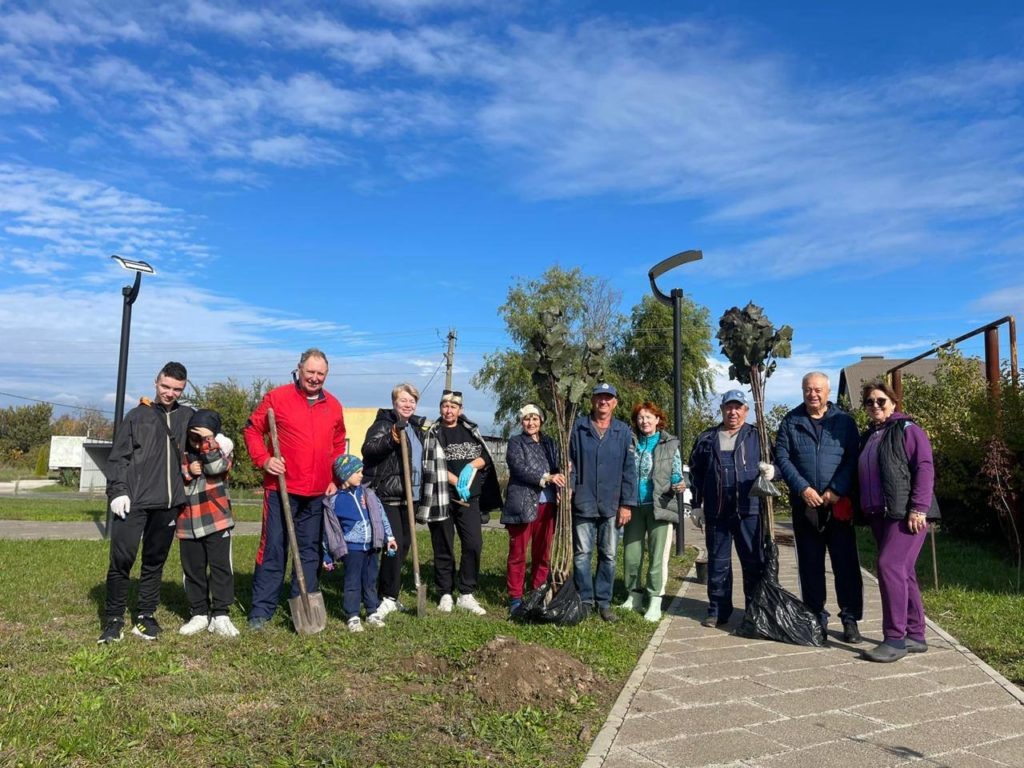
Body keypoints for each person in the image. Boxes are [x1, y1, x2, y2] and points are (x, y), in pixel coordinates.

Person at [244, 348, 346, 630]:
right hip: (282, 489)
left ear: (327, 374)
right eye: (310, 372)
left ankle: (302, 607)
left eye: (320, 374)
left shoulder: (333, 405)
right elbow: (252, 430)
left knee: (310, 552)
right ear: (299, 369)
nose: (315, 378)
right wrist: (264, 460)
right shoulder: (278, 398)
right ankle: (261, 611)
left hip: (317, 493)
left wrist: (334, 479)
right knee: (274, 548)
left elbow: (338, 444)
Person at [99, 362, 194, 643]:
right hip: (134, 501)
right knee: (122, 559)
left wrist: (220, 439)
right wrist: (117, 492)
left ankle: (145, 616)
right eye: (165, 386)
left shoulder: (187, 416)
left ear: (183, 388)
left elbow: (209, 426)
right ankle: (114, 618)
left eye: (176, 389)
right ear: (156, 383)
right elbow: (118, 458)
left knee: (154, 561)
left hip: (168, 504)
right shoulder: (137, 416)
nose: (169, 393)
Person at [775, 371, 863, 642]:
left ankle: (850, 619)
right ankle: (816, 617)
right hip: (806, 506)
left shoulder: (844, 422)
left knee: (845, 564)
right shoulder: (791, 421)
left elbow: (853, 458)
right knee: (810, 566)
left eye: (818, 390)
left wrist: (836, 489)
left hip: (837, 505)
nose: (812, 394)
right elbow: (782, 457)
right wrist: (803, 489)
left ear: (827, 392)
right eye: (807, 389)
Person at [857, 380, 939, 662]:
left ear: (893, 403)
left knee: (888, 566)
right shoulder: (870, 435)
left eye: (881, 400)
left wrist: (919, 508)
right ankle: (915, 635)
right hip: (879, 513)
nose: (876, 406)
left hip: (906, 513)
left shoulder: (908, 429)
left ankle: (894, 639)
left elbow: (925, 467)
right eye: (870, 402)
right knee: (904, 572)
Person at [688, 390, 773, 628]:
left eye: (738, 407)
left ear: (746, 410)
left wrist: (772, 472)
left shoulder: (759, 437)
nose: (732, 412)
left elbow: (777, 465)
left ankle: (754, 611)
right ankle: (718, 610)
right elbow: (696, 472)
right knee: (718, 563)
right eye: (728, 407)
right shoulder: (706, 438)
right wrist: (696, 505)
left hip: (750, 511)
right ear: (722, 409)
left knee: (754, 563)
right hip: (717, 513)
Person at [420, 390, 502, 616]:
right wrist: (456, 480)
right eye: (445, 405)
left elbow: (486, 456)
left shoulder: (470, 430)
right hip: (443, 497)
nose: (449, 410)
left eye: (453, 406)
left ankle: (466, 592)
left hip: (470, 499)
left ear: (460, 409)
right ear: (440, 408)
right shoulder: (433, 433)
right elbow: (429, 464)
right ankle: (445, 592)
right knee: (443, 544)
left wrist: (472, 465)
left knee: (474, 543)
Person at [569, 382, 638, 623]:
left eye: (608, 398)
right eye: (599, 397)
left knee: (608, 555)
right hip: (584, 501)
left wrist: (627, 503)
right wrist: (569, 487)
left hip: (612, 504)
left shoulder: (623, 432)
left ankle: (604, 602)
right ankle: (585, 600)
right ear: (592, 401)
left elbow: (630, 471)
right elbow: (569, 464)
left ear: (615, 403)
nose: (603, 402)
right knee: (582, 554)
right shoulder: (577, 428)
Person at [361, 382, 429, 617]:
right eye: (403, 400)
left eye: (412, 401)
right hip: (388, 495)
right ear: (394, 402)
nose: (408, 404)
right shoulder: (384, 424)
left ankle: (391, 592)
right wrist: (391, 438)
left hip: (411, 497)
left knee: (404, 547)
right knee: (394, 546)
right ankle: (386, 597)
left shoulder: (416, 429)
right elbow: (368, 450)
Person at [623, 401, 690, 623]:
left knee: (657, 556)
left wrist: (679, 483)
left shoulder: (669, 444)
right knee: (631, 555)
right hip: (634, 505)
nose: (644, 421)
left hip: (659, 506)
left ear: (658, 420)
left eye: (649, 417)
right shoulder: (630, 442)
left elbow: (676, 473)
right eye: (641, 417)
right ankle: (634, 595)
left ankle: (655, 599)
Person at [176, 408, 239, 638]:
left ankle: (221, 614)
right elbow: (174, 476)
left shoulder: (222, 451)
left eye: (203, 436)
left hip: (216, 519)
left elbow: (216, 468)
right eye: (194, 436)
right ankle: (199, 612)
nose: (197, 442)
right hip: (187, 522)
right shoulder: (182, 454)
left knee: (221, 567)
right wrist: (188, 471)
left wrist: (208, 442)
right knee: (192, 569)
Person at [501, 404, 564, 616]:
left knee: (543, 552)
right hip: (522, 503)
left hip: (547, 505)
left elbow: (559, 467)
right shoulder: (516, 443)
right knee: (518, 553)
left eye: (535, 419)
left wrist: (562, 478)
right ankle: (516, 597)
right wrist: (547, 477)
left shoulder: (550, 443)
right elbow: (519, 467)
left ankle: (538, 591)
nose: (531, 423)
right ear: (522, 422)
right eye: (527, 419)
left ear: (541, 421)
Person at [324, 454, 398, 633]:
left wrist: (389, 538)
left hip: (372, 546)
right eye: (357, 472)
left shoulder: (368, 494)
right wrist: (327, 554)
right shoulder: (334, 501)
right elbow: (329, 531)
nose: (361, 475)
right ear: (344, 474)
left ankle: (372, 611)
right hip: (352, 549)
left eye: (361, 471)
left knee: (370, 579)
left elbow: (381, 516)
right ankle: (353, 615)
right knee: (352, 581)